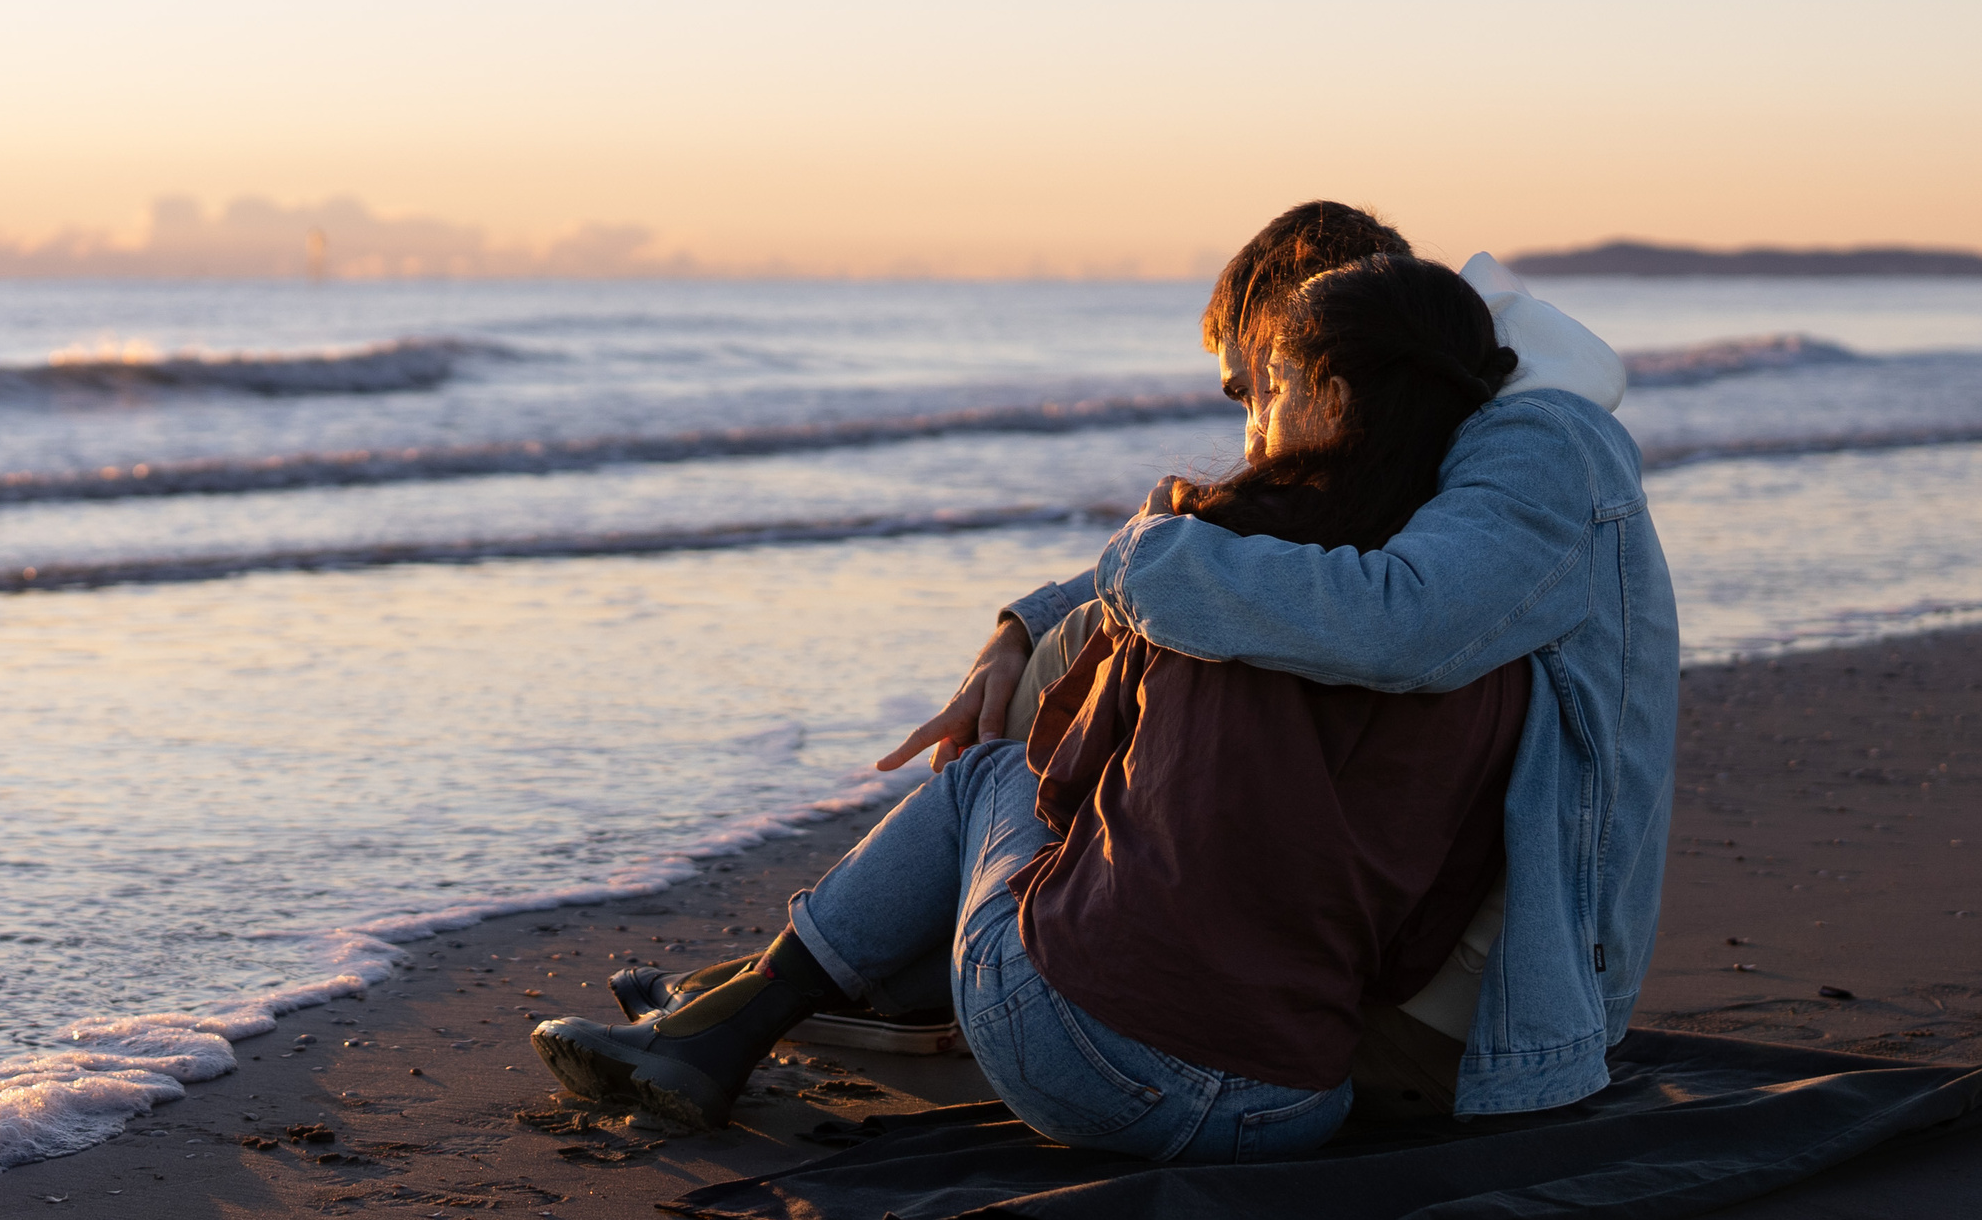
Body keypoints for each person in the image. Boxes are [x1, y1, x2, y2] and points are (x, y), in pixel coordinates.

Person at [530, 254, 1539, 1158]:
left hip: (1095, 1072)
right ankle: (740, 1007)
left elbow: (1061, 777)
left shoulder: (1210, 564)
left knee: (987, 779)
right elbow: (1415, 936)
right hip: (1293, 1102)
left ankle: (734, 1022)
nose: (1252, 424)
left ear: (1325, 393)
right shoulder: (1485, 635)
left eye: (1264, 389)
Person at [883, 203, 1673, 1120]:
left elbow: (1403, 623)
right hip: (1419, 946)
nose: (1255, 426)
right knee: (1105, 648)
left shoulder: (1537, 442)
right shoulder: (1440, 439)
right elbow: (1242, 549)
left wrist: (1140, 557)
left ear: (1325, 351)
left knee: (1094, 693)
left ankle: (1002, 972)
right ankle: (947, 960)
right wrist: (1017, 631)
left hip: (1493, 999)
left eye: (1254, 386)